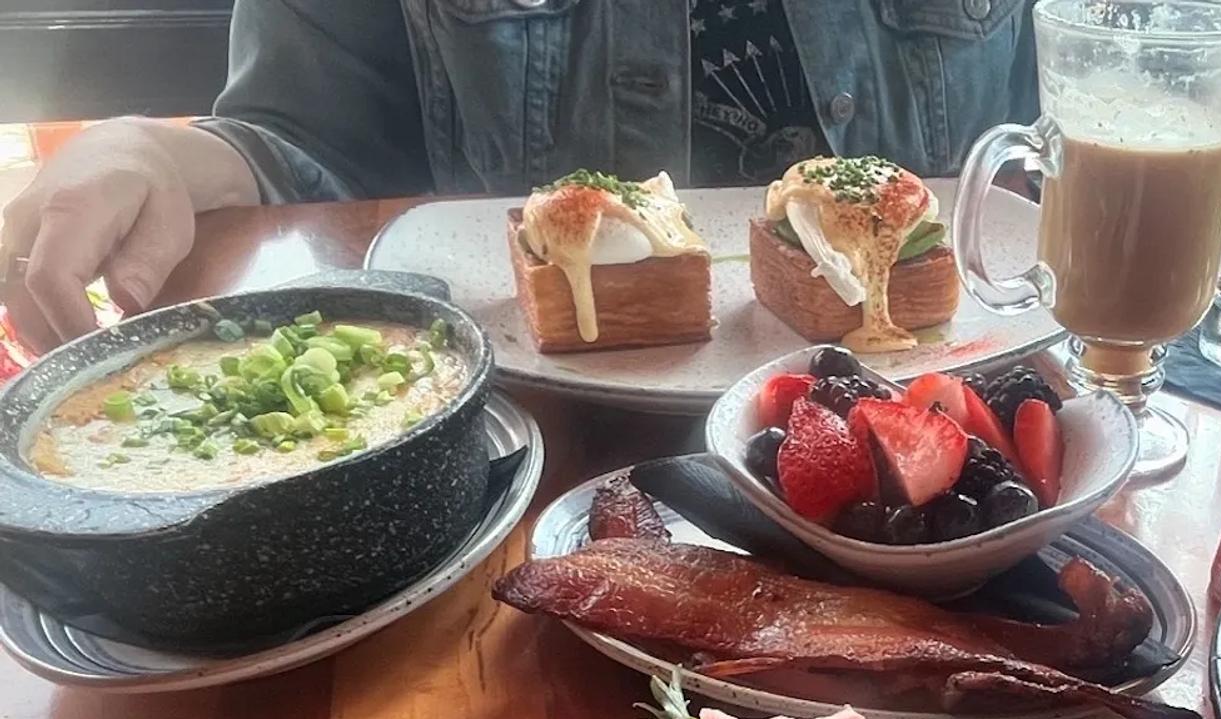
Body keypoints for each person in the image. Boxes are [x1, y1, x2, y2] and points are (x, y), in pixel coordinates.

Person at [1, 0, 1038, 349]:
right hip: (528, 458)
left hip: (958, 437)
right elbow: (304, 143)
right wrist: (159, 152)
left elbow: (1078, 123)